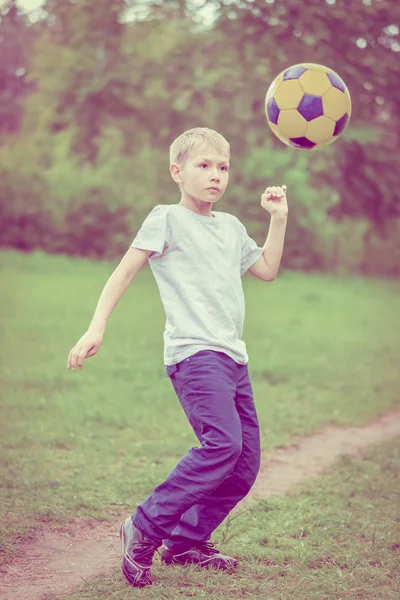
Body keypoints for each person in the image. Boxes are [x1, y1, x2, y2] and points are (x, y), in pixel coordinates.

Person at [67, 127, 288, 588]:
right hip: (194, 354)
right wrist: (96, 326)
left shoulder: (230, 227)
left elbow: (266, 270)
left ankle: (186, 542)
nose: (215, 176)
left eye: (222, 167)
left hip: (232, 359)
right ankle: (143, 527)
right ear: (177, 171)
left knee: (244, 465)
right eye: (203, 166)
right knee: (223, 445)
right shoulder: (166, 218)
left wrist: (278, 218)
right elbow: (124, 271)